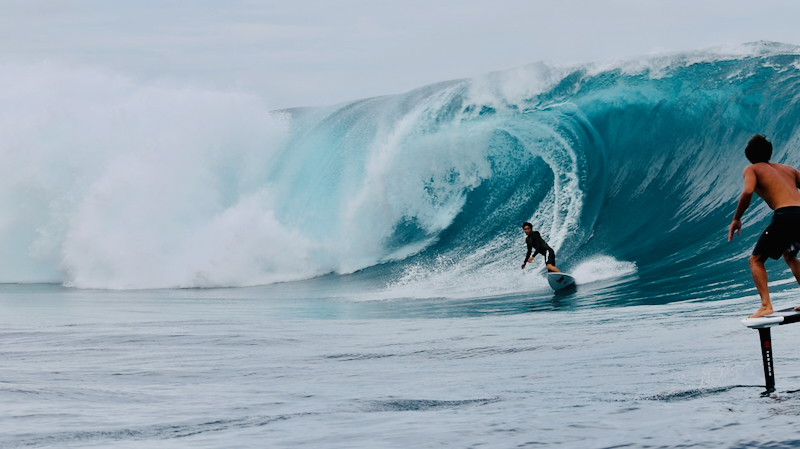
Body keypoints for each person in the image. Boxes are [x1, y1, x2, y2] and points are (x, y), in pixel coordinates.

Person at [728, 135, 800, 318]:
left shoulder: (752, 169)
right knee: (789, 255)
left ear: (748, 155)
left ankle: (766, 305)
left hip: (785, 215)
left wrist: (737, 218)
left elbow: (748, 191)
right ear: (769, 152)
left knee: (755, 260)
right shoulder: (788, 169)